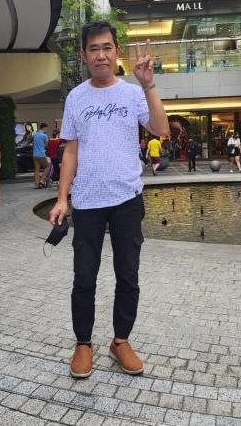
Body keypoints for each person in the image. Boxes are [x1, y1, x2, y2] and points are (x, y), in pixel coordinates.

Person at [49, 21, 169, 379]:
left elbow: (161, 129)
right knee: (84, 276)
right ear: (84, 55)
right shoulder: (76, 98)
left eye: (107, 47)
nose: (101, 55)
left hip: (126, 201)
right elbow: (70, 150)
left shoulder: (133, 94)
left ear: (117, 51)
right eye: (93, 49)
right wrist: (61, 198)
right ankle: (83, 344)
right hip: (86, 203)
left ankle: (120, 341)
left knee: (127, 275)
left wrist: (149, 85)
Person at [33, 122, 50, 189]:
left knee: (37, 169)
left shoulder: (35, 134)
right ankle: (42, 181)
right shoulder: (44, 136)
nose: (47, 130)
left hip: (34, 154)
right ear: (44, 128)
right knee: (47, 166)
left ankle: (37, 185)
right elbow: (46, 146)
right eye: (46, 129)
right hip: (41, 154)